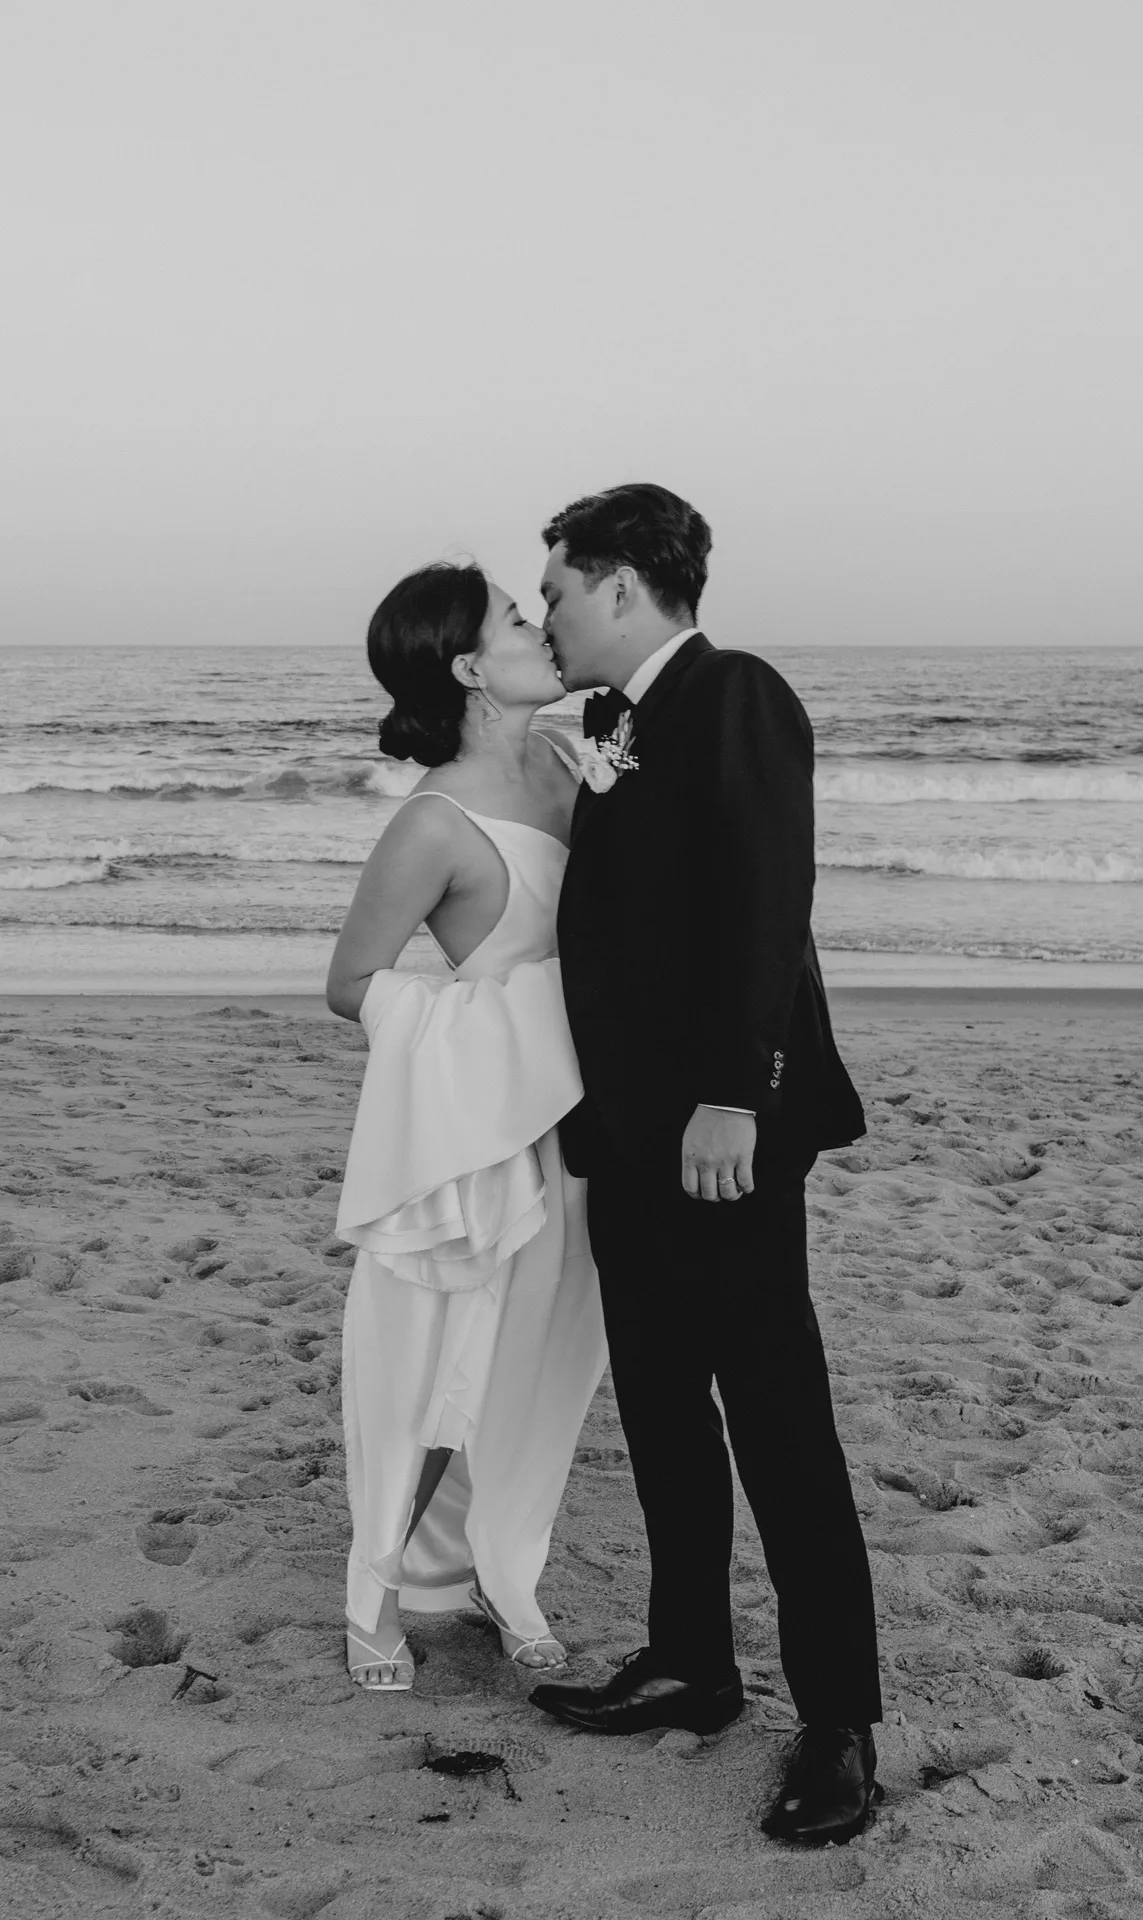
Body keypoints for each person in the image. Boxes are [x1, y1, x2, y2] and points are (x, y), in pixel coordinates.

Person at [528, 483, 883, 1846]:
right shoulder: (616, 726)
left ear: (621, 584)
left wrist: (738, 1092)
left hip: (719, 1136)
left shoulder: (733, 693)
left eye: (557, 591)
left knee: (777, 1419)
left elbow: (766, 897)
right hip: (629, 1139)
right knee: (663, 1410)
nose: (548, 617)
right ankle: (690, 1661)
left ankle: (837, 1720)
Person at [326, 562, 607, 1692]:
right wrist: (514, 1017)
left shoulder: (571, 761)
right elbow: (352, 984)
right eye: (517, 618)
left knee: (538, 1368)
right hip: (485, 1129)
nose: (543, 628)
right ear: (469, 668)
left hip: (584, 1116)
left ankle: (500, 1572)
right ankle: (378, 1590)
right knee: (435, 1364)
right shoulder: (432, 823)